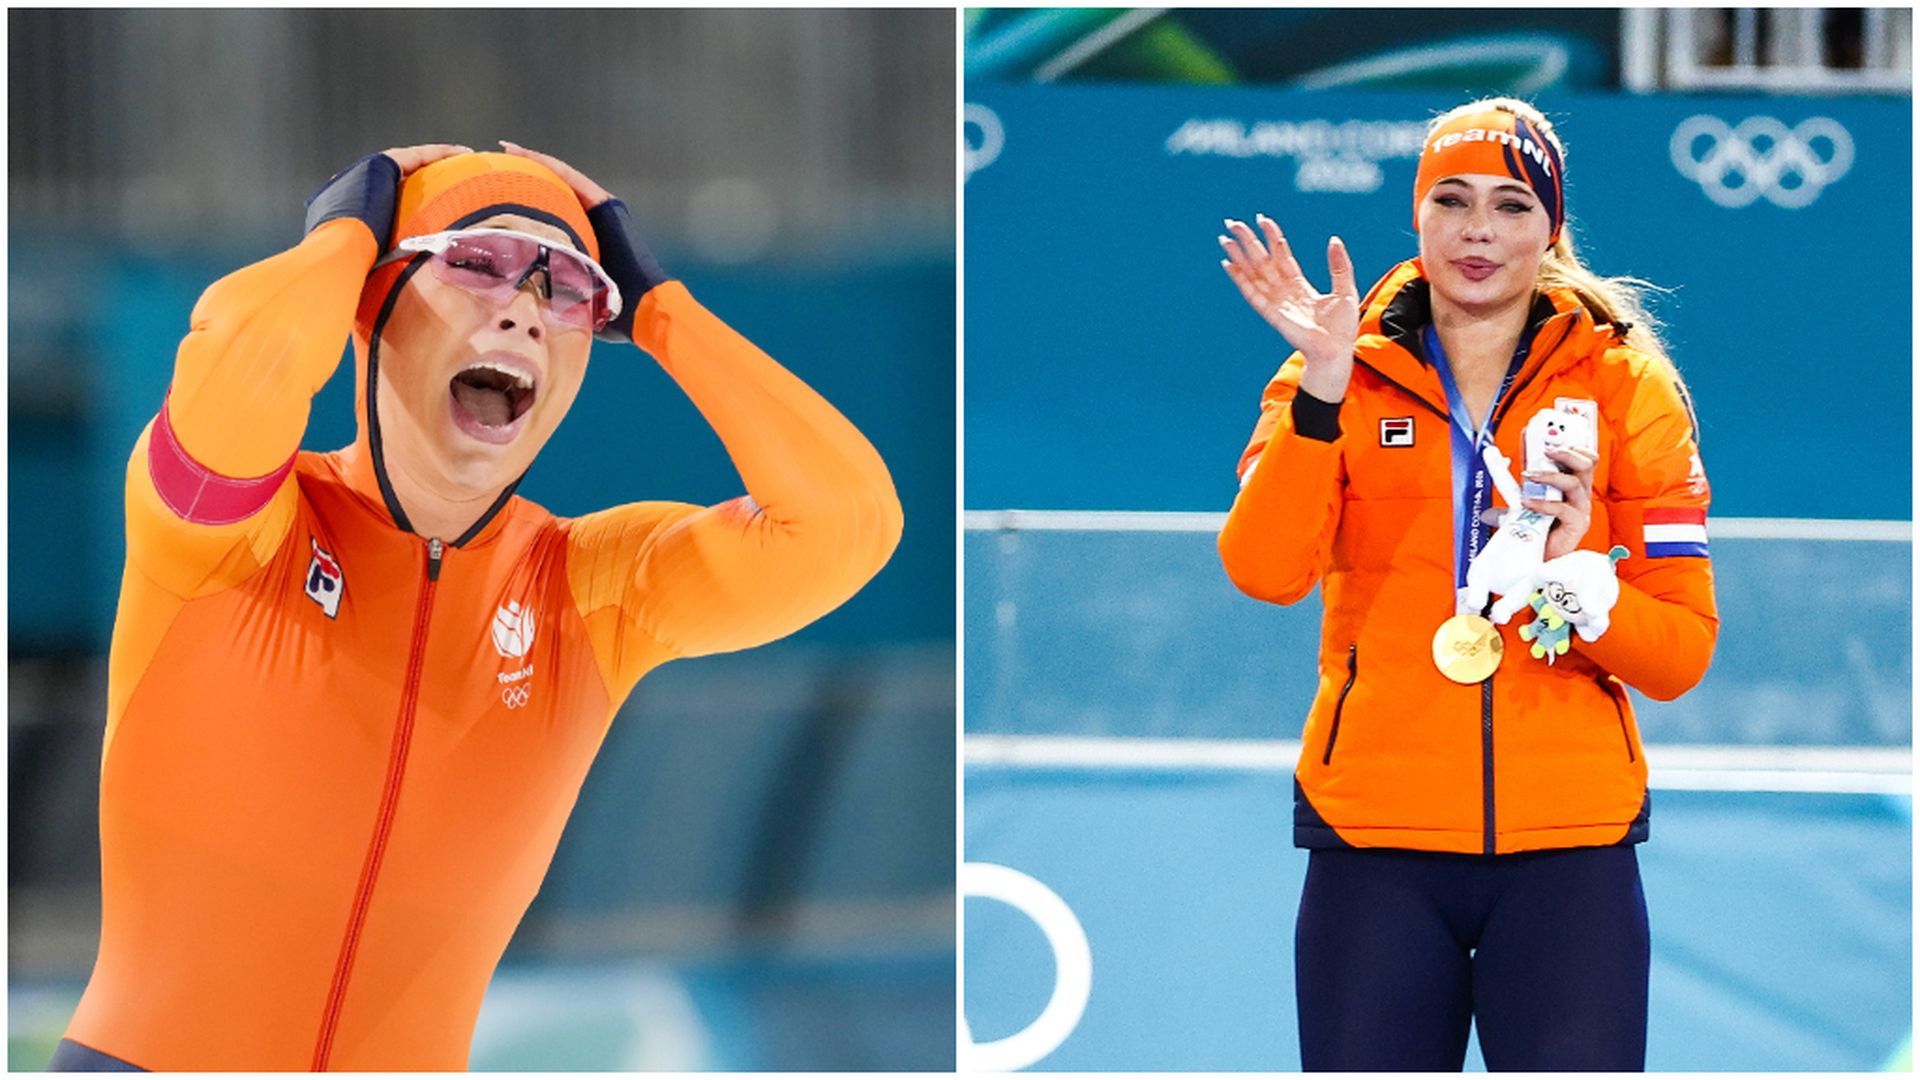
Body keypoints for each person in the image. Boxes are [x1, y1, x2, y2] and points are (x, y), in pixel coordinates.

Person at [51, 144, 904, 1071]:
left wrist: (662, 312)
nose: (522, 309)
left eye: (568, 288)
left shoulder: (590, 590)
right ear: (373, 303)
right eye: (477, 261)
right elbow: (243, 362)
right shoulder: (231, 529)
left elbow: (847, 525)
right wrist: (345, 232)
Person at [1215, 99, 1716, 1071]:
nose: (1478, 228)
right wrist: (1320, 391)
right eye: (1451, 199)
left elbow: (1682, 655)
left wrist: (1575, 582)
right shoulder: (1332, 373)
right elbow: (1263, 571)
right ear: (1416, 216)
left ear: (1550, 229)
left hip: (1569, 847)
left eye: (1510, 204)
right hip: (1375, 842)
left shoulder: (1628, 388)